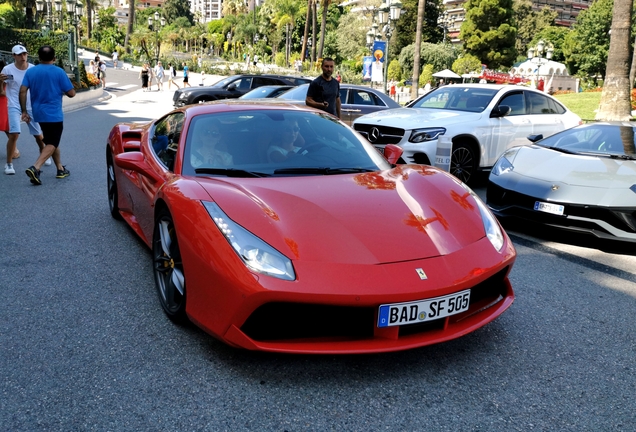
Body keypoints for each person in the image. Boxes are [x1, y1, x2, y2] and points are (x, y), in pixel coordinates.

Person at [21, 45, 76, 185]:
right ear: (54, 58)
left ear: (39, 58)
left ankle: (60, 168)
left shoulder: (31, 72)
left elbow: (22, 91)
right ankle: (36, 167)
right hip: (54, 113)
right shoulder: (59, 72)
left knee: (51, 140)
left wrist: (24, 111)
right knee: (52, 142)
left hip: (38, 112)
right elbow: (71, 93)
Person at [1, 45, 48, 175]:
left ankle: (42, 153)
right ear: (13, 56)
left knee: (39, 135)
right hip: (14, 105)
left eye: (25, 54)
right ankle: (9, 164)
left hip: (31, 105)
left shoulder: (33, 69)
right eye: (19, 54)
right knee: (14, 134)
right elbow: (1, 92)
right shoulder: (7, 69)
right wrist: (0, 82)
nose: (23, 57)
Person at [0, 60, 8, 136]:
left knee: (8, 130)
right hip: (4, 104)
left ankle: (13, 148)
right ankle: (14, 147)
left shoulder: (4, 79)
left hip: (3, 104)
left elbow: (2, 93)